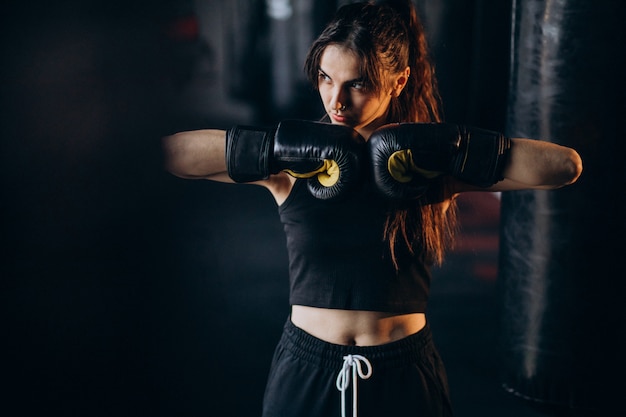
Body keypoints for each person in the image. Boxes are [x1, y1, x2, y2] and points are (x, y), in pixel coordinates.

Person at [162, 1, 583, 416]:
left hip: (404, 372)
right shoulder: (295, 163)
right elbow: (171, 156)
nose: (336, 101)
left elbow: (564, 166)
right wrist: (270, 148)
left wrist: (452, 147)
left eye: (357, 84)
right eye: (327, 79)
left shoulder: (428, 166)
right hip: (306, 369)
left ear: (398, 82)